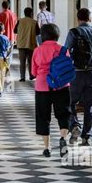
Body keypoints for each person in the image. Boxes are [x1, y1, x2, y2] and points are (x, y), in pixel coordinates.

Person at [64, 8, 92, 146]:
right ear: (90, 19)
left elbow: (65, 52)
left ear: (78, 19)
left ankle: (75, 126)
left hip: (76, 73)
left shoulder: (73, 32)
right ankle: (87, 137)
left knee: (69, 103)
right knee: (90, 106)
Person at [31, 23, 71, 158]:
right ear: (57, 35)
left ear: (42, 36)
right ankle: (63, 138)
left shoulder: (37, 50)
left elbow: (33, 71)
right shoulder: (63, 49)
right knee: (64, 113)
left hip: (42, 86)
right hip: (61, 85)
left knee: (43, 116)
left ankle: (47, 148)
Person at [14, 7, 40, 81]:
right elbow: (38, 32)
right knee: (30, 61)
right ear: (31, 13)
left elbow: (15, 31)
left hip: (21, 43)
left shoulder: (20, 21)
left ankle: (22, 77)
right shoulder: (34, 22)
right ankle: (31, 75)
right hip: (30, 43)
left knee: (22, 61)